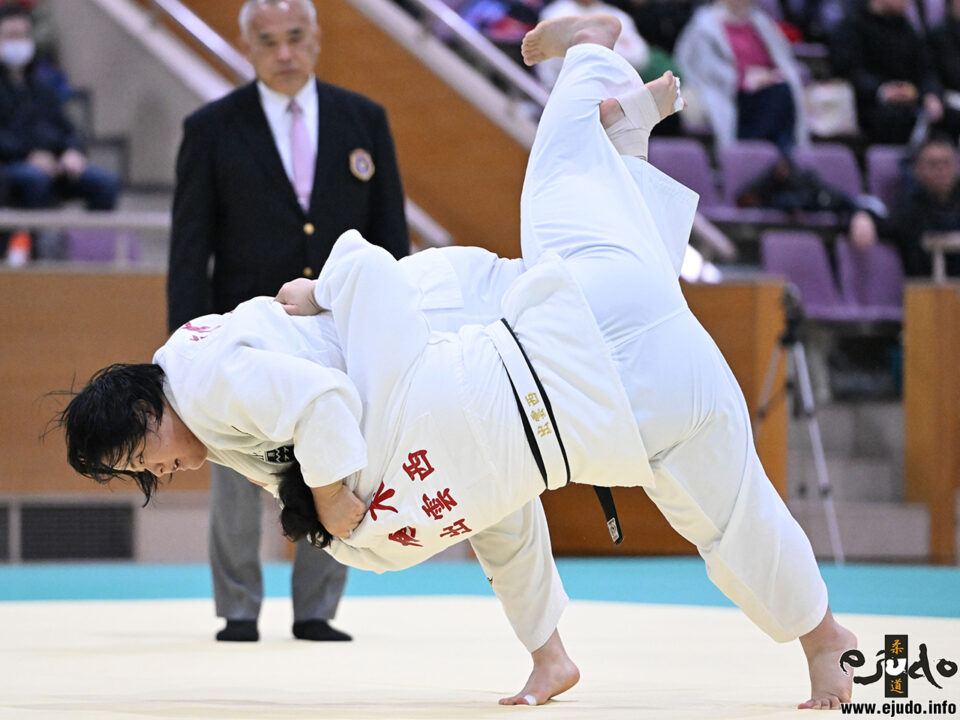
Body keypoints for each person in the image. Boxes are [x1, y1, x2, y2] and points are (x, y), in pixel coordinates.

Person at [60, 15, 856, 709]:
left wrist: (336, 495)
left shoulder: (214, 384)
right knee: (561, 202)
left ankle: (821, 636)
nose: (160, 473)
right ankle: (600, 91)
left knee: (712, 503)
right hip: (527, 330)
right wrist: (543, 645)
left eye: (143, 459)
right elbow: (486, 502)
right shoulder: (224, 384)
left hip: (508, 346)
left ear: (143, 411)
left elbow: (334, 369)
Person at [167, 0, 408, 643]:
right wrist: (187, 352)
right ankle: (238, 608)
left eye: (295, 38)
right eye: (267, 41)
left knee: (336, 458)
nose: (283, 53)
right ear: (247, 47)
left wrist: (399, 320)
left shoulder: (365, 120)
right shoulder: (212, 127)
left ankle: (316, 609)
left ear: (316, 39)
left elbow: (390, 239)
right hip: (242, 336)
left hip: (337, 328)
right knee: (239, 473)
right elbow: (190, 248)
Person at [0, 6, 118, 210]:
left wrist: (72, 152)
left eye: (23, 35)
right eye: (11, 35)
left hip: (52, 163)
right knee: (34, 180)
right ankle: (33, 241)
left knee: (105, 183)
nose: (18, 42)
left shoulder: (42, 85)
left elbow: (68, 127)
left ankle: (90, 242)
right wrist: (28, 156)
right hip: (11, 165)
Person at [674, 0, 809, 153]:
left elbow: (784, 61)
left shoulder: (761, 22)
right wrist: (744, 80)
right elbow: (703, 69)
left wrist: (771, 76)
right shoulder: (704, 25)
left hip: (768, 88)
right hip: (730, 94)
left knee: (783, 93)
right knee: (778, 96)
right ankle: (767, 157)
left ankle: (780, 158)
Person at [829, 0, 942, 145]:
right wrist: (882, 90)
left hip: (910, 101)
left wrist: (930, 94)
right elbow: (847, 72)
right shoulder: (851, 26)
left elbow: (926, 71)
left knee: (946, 116)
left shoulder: (908, 31)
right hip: (868, 104)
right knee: (894, 120)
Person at [849, 134, 960, 278]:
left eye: (946, 163)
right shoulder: (910, 207)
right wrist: (863, 215)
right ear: (917, 169)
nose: (941, 170)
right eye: (933, 164)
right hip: (925, 292)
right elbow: (885, 224)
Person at [533, 0, 649, 88]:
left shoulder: (619, 17)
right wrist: (614, 47)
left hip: (610, 94)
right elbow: (560, 60)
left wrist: (592, 45)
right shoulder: (555, 13)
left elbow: (640, 57)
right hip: (562, 89)